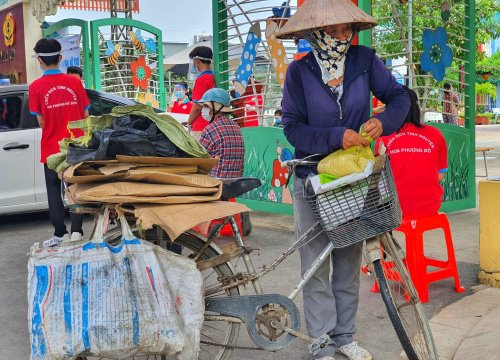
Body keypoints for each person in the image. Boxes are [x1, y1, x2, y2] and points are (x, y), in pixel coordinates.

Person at [277, 0, 410, 359]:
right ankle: (320, 340)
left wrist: (384, 121)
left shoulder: (365, 60)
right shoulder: (299, 72)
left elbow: (400, 97)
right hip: (311, 178)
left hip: (353, 178)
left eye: (347, 30)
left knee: (349, 259)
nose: (342, 37)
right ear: (315, 34)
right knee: (316, 263)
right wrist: (337, 136)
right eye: (333, 31)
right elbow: (293, 128)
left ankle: (344, 335)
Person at [29, 39, 90, 245]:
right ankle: (77, 231)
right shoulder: (75, 83)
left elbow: (40, 121)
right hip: (76, 146)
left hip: (51, 147)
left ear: (39, 60)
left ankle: (59, 232)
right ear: (60, 58)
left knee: (53, 189)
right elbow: (86, 113)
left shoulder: (35, 87)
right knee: (74, 187)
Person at [376, 86, 447, 218]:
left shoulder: (383, 138)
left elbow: (380, 179)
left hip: (395, 209)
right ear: (416, 107)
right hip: (430, 206)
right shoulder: (435, 134)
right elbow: (440, 176)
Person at [198, 88, 245, 178]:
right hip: (235, 183)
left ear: (215, 108)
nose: (203, 110)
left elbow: (199, 160)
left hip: (215, 185)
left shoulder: (210, 130)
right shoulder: (236, 127)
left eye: (206, 106)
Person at [187, 46, 215, 139]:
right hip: (213, 125)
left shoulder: (202, 80)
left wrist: (189, 122)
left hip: (200, 127)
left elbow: (197, 107)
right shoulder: (213, 77)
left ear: (197, 61)